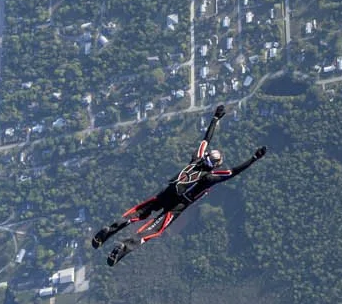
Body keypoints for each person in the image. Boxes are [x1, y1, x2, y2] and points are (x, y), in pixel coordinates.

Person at [89, 104, 265, 266]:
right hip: (178, 205)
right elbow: (233, 172)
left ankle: (108, 231)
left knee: (139, 212)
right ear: (216, 165)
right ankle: (123, 248)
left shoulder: (196, 159)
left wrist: (215, 118)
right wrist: (254, 158)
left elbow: (206, 139)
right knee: (154, 229)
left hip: (167, 193)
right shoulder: (209, 177)